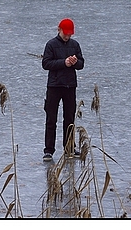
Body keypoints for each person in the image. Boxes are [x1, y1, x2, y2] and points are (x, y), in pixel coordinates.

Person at [42, 18, 84, 161]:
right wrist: (64, 63)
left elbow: (81, 64)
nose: (67, 36)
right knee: (51, 119)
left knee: (69, 119)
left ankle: (69, 147)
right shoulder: (51, 45)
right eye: (65, 33)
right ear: (59, 30)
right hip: (54, 85)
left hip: (70, 86)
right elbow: (46, 63)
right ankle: (48, 150)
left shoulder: (75, 45)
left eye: (69, 34)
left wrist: (75, 62)